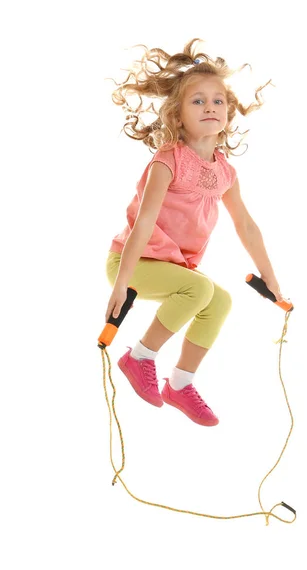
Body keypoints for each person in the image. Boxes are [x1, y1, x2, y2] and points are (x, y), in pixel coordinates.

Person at [105, 38, 285, 427]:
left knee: (219, 301)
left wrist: (270, 276)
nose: (210, 107)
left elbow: (247, 226)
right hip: (132, 262)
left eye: (217, 100)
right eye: (197, 101)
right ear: (177, 115)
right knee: (199, 289)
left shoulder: (225, 172)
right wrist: (120, 284)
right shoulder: (167, 161)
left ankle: (180, 383)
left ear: (229, 112)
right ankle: (139, 357)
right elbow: (143, 223)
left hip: (173, 267)